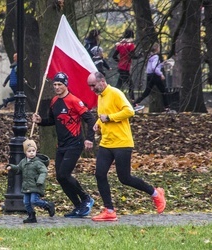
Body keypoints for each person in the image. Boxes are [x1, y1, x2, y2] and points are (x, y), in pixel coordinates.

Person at [86, 71, 166, 221]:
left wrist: (109, 118)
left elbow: (129, 111)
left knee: (125, 178)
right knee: (99, 174)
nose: (92, 89)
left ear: (102, 81)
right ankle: (109, 210)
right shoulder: (100, 96)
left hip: (122, 143)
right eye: (90, 86)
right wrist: (98, 123)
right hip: (106, 143)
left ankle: (156, 193)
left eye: (93, 85)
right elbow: (103, 115)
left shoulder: (115, 93)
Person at [32, 72, 96, 218]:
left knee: (64, 174)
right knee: (60, 177)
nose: (57, 87)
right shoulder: (54, 101)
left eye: (60, 84)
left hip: (75, 143)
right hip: (61, 145)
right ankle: (79, 206)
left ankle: (86, 198)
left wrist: (89, 139)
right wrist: (40, 121)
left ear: (66, 84)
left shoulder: (74, 100)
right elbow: (52, 120)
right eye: (55, 84)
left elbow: (90, 119)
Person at [6, 139, 55, 224]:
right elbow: (18, 169)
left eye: (33, 151)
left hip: (36, 185)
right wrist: (12, 167)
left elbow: (43, 171)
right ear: (25, 152)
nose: (32, 153)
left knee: (34, 200)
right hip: (26, 185)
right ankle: (31, 216)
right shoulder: (23, 162)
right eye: (29, 151)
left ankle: (48, 205)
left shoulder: (38, 162)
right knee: (26, 202)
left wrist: (40, 180)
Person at [133, 43, 170, 111]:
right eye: (159, 48)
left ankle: (135, 103)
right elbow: (154, 67)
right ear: (157, 49)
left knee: (146, 92)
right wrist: (161, 74)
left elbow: (155, 66)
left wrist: (162, 64)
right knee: (164, 91)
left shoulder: (150, 56)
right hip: (155, 76)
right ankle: (167, 107)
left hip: (149, 76)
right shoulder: (156, 56)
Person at [112, 28, 139, 102]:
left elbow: (114, 56)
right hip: (126, 68)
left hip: (121, 67)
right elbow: (132, 56)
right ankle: (133, 102)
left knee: (119, 85)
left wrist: (120, 61)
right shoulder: (131, 45)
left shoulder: (120, 44)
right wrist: (140, 56)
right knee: (131, 85)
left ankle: (112, 97)